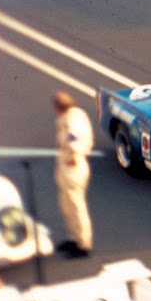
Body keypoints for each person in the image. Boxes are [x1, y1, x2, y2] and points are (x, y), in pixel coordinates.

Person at [52, 90, 94, 258]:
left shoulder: (70, 121)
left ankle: (83, 244)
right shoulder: (76, 113)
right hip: (67, 165)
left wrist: (73, 155)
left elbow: (73, 138)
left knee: (76, 206)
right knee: (66, 204)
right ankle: (73, 237)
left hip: (72, 167)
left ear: (57, 108)